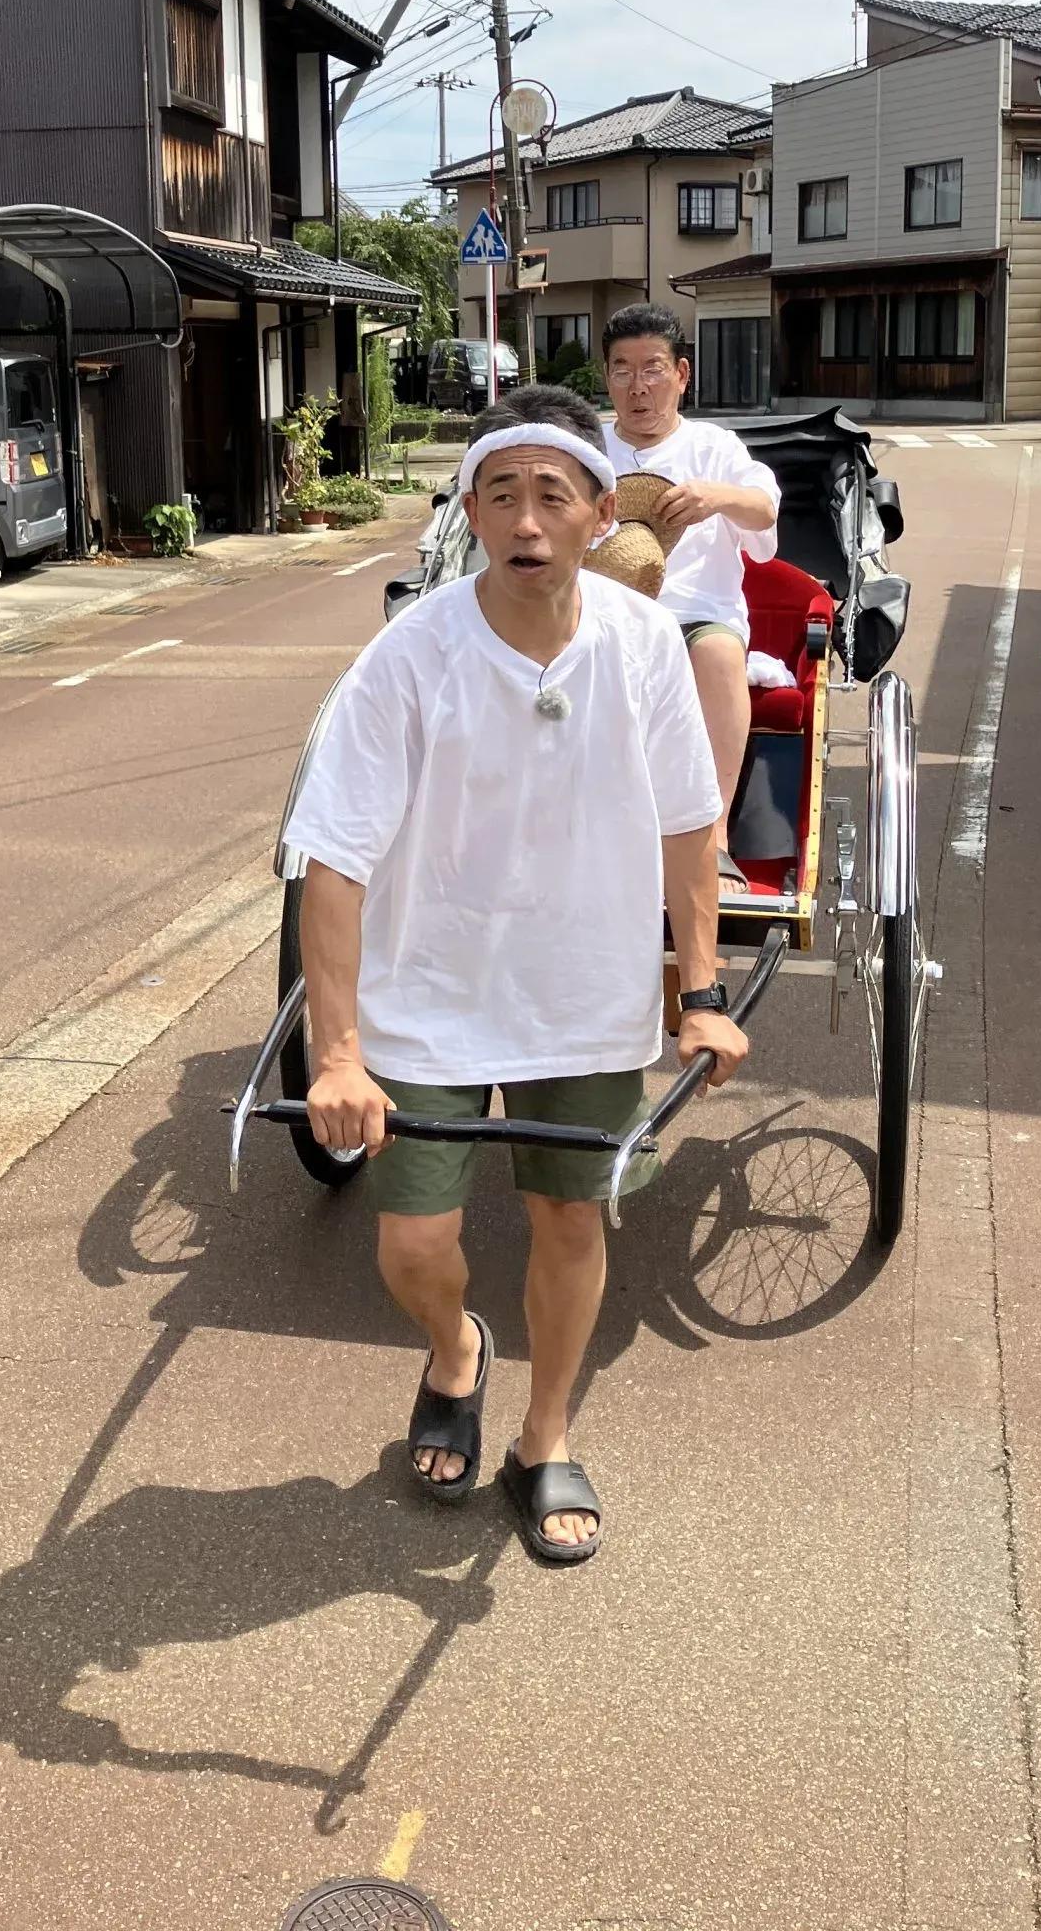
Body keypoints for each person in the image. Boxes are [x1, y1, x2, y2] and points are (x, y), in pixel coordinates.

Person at [284, 382, 752, 1565]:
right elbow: (331, 860)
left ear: (601, 516)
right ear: (472, 515)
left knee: (568, 1217)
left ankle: (544, 1436)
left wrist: (697, 994)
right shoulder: (409, 654)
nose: (528, 521)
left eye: (554, 495)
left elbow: (691, 827)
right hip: (428, 996)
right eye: (503, 496)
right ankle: (456, 1350)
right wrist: (336, 1051)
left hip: (583, 999)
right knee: (412, 1247)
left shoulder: (646, 645)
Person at [599, 303, 783, 887]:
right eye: (622, 370)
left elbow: (766, 510)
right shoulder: (583, 446)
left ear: (682, 374)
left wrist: (715, 497)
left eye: (652, 369)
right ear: (607, 378)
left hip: (698, 617)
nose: (638, 386)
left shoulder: (715, 447)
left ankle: (717, 836)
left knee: (721, 655)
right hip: (602, 615)